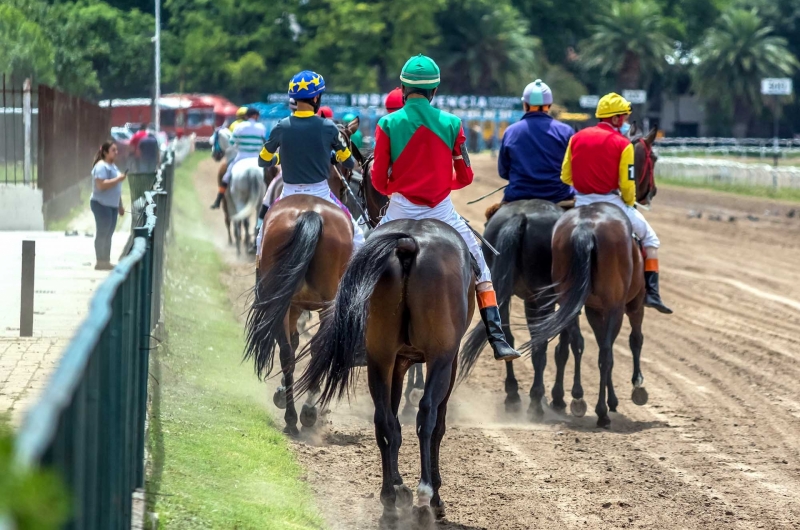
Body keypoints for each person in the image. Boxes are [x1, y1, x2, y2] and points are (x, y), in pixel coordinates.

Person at [371, 54, 520, 361]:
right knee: (480, 266)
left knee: (361, 260)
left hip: (399, 210)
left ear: (402, 88)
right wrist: (440, 187)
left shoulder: (387, 123)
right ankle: (497, 336)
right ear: (434, 90)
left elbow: (378, 181)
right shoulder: (453, 124)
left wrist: (397, 188)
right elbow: (466, 175)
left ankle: (354, 329)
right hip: (441, 211)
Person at [560, 92, 672, 314]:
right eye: (623, 117)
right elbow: (628, 184)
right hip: (612, 202)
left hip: (580, 202)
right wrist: (628, 201)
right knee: (650, 239)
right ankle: (652, 292)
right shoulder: (623, 144)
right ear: (615, 119)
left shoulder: (576, 138)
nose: (625, 121)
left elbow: (566, 177)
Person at [257, 70, 365, 250]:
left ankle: (261, 278)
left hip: (288, 193)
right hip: (321, 194)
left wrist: (279, 158)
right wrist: (333, 156)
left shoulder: (281, 126)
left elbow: (263, 160)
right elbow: (347, 162)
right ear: (316, 99)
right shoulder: (329, 127)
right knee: (359, 238)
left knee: (261, 238)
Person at [498, 79, 575, 205]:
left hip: (518, 195)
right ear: (549, 105)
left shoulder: (511, 131)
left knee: (491, 220)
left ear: (525, 104)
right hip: (559, 196)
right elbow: (573, 169)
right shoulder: (566, 131)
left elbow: (503, 171)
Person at [211, 107, 267, 209]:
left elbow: (232, 143)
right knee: (269, 177)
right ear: (256, 116)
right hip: (256, 158)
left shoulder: (239, 126)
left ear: (246, 116)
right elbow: (263, 142)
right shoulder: (261, 127)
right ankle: (270, 199)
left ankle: (218, 200)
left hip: (241, 156)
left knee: (226, 177)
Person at [90, 141, 127, 271]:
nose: (116, 153)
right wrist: (118, 179)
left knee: (109, 233)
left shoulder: (113, 167)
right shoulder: (101, 166)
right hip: (101, 204)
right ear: (105, 152)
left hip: (112, 205)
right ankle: (100, 260)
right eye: (113, 150)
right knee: (103, 232)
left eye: (116, 150)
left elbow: (116, 189)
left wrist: (120, 205)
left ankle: (106, 260)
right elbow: (101, 185)